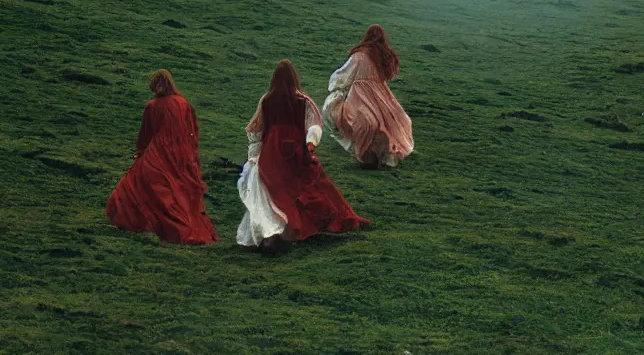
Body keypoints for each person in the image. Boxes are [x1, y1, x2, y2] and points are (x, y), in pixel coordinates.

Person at [236, 60, 369, 252]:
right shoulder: (303, 100)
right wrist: (311, 143)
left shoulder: (266, 100)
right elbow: (314, 125)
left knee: (277, 189)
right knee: (308, 184)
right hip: (295, 149)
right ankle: (307, 223)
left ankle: (278, 229)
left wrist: (254, 155)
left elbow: (257, 130)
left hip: (273, 150)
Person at [106, 69, 218, 245]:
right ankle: (184, 223)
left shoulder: (153, 106)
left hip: (159, 150)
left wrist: (141, 152)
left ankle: (153, 223)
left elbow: (146, 133)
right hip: (181, 152)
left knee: (141, 183)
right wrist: (190, 153)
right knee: (178, 187)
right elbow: (192, 130)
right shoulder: (183, 103)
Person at [323, 24, 414, 169]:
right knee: (387, 121)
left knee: (359, 120)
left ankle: (367, 154)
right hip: (381, 94)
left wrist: (337, 88)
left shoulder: (359, 56)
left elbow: (344, 75)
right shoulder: (383, 58)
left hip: (360, 95)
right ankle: (378, 154)